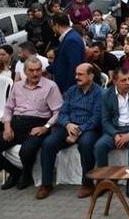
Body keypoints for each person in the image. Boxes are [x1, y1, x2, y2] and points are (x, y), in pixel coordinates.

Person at [0, 57, 62, 190]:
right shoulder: (17, 86)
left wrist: (46, 127)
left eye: (38, 70)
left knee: (26, 151)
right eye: (31, 70)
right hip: (15, 125)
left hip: (37, 126)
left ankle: (27, 174)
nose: (35, 73)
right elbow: (8, 108)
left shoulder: (50, 86)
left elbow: (58, 111)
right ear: (25, 71)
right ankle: (15, 172)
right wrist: (6, 126)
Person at [36, 63, 104, 200]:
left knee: (86, 144)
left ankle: (87, 183)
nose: (76, 77)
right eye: (76, 74)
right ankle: (46, 184)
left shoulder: (100, 93)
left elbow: (96, 118)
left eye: (80, 74)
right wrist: (67, 125)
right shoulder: (71, 90)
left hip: (89, 128)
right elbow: (62, 113)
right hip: (70, 126)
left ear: (90, 76)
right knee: (48, 143)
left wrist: (78, 131)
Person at [94, 68, 129, 198]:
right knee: (99, 146)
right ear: (114, 82)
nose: (128, 82)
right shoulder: (107, 95)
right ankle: (103, 181)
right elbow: (105, 121)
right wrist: (115, 134)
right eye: (123, 80)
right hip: (116, 129)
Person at [46, 13, 85, 92]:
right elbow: (62, 61)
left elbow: (74, 66)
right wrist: (47, 69)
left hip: (69, 88)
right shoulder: (68, 37)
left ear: (56, 25)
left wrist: (69, 90)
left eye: (52, 26)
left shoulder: (71, 40)